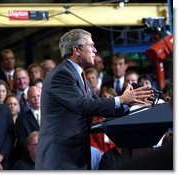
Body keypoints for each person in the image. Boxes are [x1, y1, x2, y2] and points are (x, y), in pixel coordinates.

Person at [35, 29, 153, 170]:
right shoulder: (61, 74)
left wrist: (130, 103)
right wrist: (121, 99)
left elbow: (98, 105)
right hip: (60, 159)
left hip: (74, 156)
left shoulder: (80, 75)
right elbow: (83, 105)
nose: (95, 50)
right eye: (91, 45)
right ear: (76, 50)